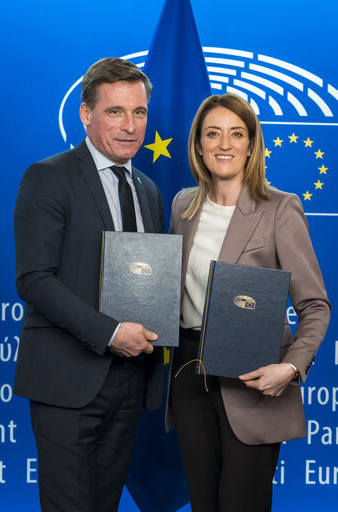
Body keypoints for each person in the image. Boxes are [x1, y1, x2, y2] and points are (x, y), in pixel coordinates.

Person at [167, 93, 331, 512]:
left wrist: (291, 367)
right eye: (213, 133)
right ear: (199, 145)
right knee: (203, 504)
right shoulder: (183, 206)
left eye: (236, 133)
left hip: (254, 381)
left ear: (252, 144)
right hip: (189, 376)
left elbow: (315, 305)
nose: (225, 143)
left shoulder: (280, 208)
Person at [13, 57, 164, 512]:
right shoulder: (49, 176)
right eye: (115, 111)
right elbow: (34, 279)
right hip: (68, 381)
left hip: (129, 380)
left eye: (139, 112)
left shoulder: (149, 190)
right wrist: (110, 333)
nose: (130, 125)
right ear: (85, 113)